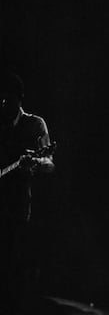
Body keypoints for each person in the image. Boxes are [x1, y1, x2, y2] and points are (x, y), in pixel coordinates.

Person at [0, 70, 55, 313]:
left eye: (6, 99)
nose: (2, 104)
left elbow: (50, 164)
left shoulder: (35, 124)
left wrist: (36, 163)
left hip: (17, 206)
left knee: (13, 266)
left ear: (19, 98)